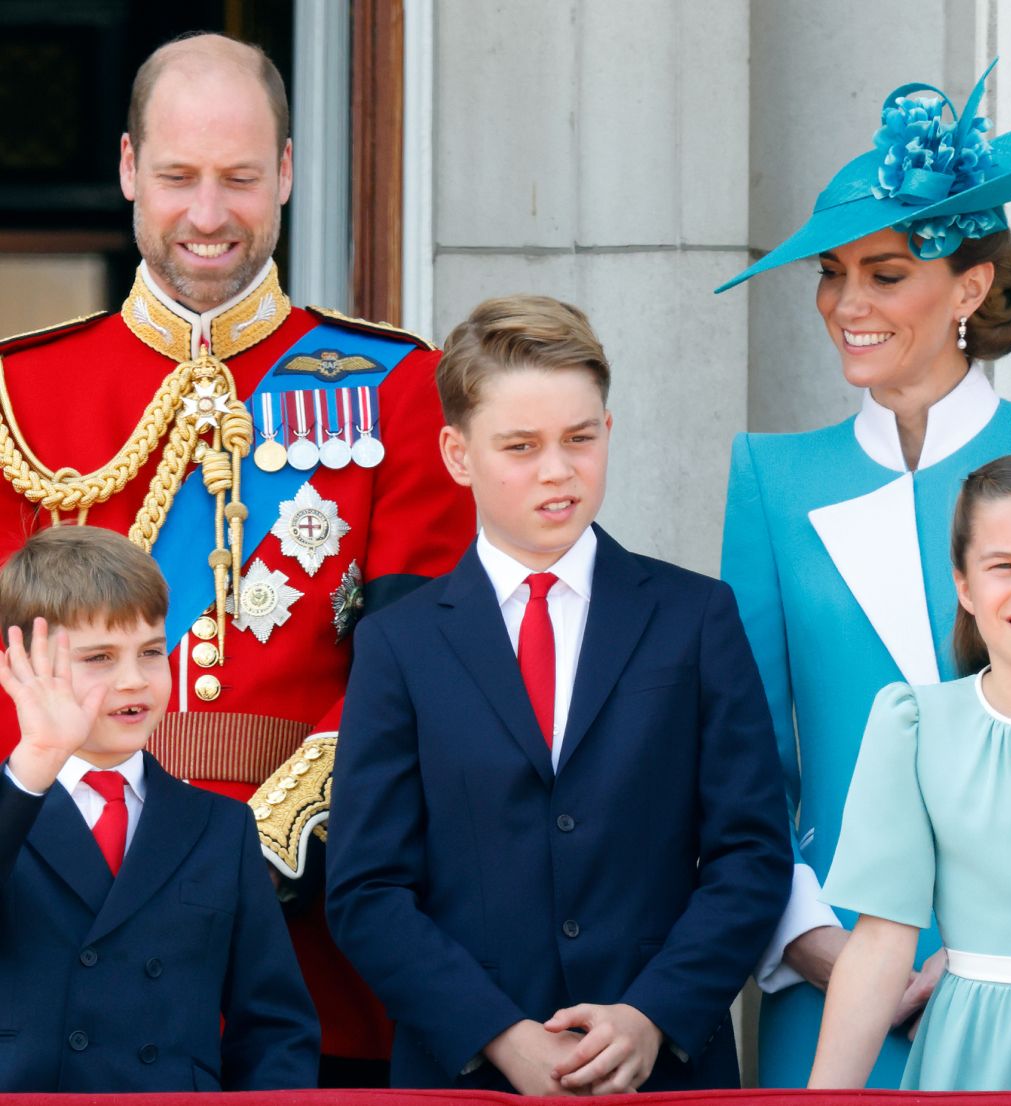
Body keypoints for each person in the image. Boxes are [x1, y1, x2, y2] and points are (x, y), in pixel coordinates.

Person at [0, 32, 475, 1083]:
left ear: (290, 174)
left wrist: (261, 842)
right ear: (128, 168)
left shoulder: (398, 387)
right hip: (63, 939)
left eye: (240, 179)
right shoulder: (21, 397)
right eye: (177, 177)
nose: (208, 215)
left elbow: (417, 678)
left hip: (314, 946)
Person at [324, 294, 792, 1093]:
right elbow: (367, 890)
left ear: (608, 433)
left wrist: (653, 1014)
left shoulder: (695, 616)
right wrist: (496, 1034)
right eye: (520, 446)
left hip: (664, 1068)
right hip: (463, 1075)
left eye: (580, 439)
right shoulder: (398, 644)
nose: (557, 470)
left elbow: (750, 854)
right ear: (457, 454)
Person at [715, 62, 1011, 1086]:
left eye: (884, 274)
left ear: (968, 284)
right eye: (832, 273)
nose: (845, 303)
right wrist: (813, 945)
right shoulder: (771, 477)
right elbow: (741, 760)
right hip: (833, 991)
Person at [0, 525, 319, 1093]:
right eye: (99, 657)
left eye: (150, 652)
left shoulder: (222, 827)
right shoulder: (13, 804)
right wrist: (39, 757)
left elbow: (274, 1026)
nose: (134, 680)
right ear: (25, 664)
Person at [808, 448, 1011, 1090]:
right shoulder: (916, 726)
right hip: (971, 1057)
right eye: (1003, 566)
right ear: (964, 584)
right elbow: (879, 946)